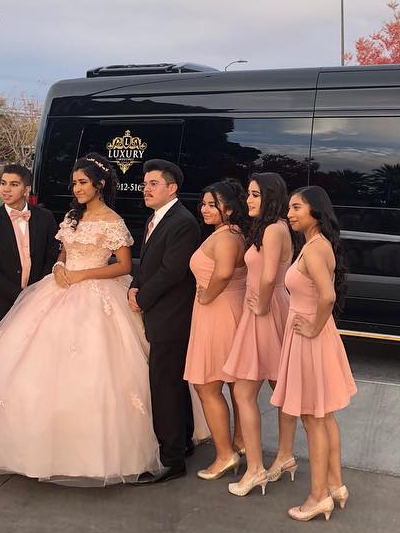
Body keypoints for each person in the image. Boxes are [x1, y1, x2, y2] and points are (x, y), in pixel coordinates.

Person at [0, 153, 160, 485]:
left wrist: (84, 276)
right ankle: (28, 447)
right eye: (74, 183)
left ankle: (94, 454)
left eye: (83, 182)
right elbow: (63, 254)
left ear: (99, 185)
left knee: (100, 372)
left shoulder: (112, 220)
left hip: (97, 294)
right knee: (31, 365)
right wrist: (59, 267)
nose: (77, 188)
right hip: (58, 288)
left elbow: (124, 266)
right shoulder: (71, 217)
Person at [271, 186, 357, 522]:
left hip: (310, 338)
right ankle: (335, 486)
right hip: (312, 336)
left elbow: (327, 297)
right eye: (289, 208)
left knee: (312, 418)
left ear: (315, 211)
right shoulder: (314, 244)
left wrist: (312, 328)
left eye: (296, 208)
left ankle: (318, 495)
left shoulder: (315, 249)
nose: (290, 213)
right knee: (324, 415)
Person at [127, 160, 203, 484]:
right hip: (160, 312)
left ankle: (171, 460)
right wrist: (134, 284)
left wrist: (142, 299)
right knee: (173, 383)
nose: (146, 188)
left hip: (172, 316)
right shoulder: (156, 218)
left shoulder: (182, 222)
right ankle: (183, 442)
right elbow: (149, 263)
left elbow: (173, 271)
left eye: (153, 183)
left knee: (164, 386)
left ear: (171, 188)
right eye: (145, 183)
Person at [223, 172, 297, 496]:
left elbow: (267, 278)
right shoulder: (278, 227)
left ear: (269, 196)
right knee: (281, 388)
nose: (249, 200)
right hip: (275, 308)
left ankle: (256, 469)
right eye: (249, 195)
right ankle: (284, 456)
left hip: (265, 311)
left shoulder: (271, 229)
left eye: (255, 195)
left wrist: (261, 307)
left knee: (243, 393)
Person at [184, 179, 248, 481]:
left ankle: (225, 455)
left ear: (230, 209)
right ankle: (239, 443)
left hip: (218, 314)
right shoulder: (235, 233)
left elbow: (222, 272)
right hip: (229, 312)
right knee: (234, 384)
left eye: (213, 204)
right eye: (204, 203)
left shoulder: (226, 237)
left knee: (207, 385)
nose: (205, 209)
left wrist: (207, 295)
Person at [0, 164, 60, 336]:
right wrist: (19, 295)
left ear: (26, 189)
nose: (6, 189)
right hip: (1, 304)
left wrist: (36, 291)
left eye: (14, 184)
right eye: (3, 183)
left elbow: (51, 257)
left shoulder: (45, 217)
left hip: (39, 302)